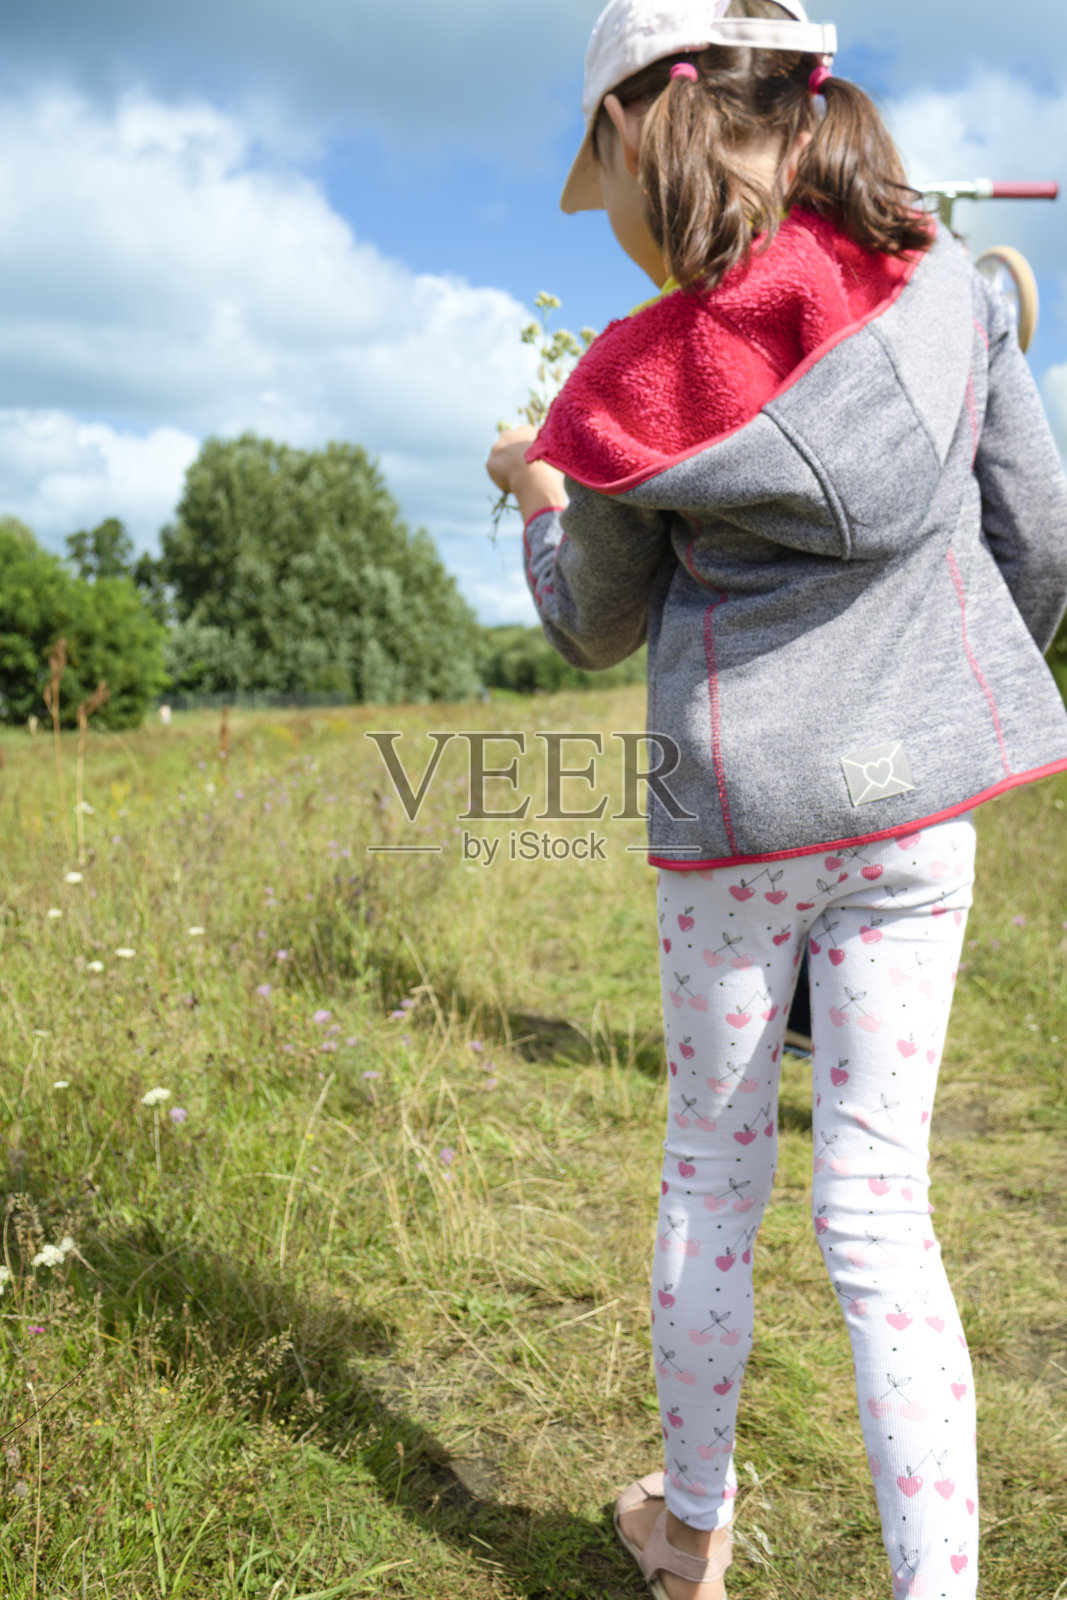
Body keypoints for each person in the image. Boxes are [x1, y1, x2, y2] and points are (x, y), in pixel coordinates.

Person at [485, 1, 1067, 1596]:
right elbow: (1042, 533)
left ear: (627, 138)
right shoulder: (947, 284)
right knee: (882, 1210)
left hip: (740, 824)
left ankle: (690, 1528)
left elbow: (592, 620)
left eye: (594, 180)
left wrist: (543, 503)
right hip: (916, 817)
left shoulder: (620, 385)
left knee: (711, 1180)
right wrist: (945, 695)